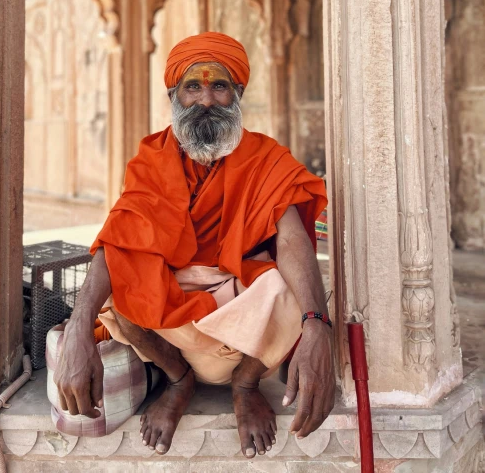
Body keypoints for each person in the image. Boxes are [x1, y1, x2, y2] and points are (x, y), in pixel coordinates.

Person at [54, 31, 335, 458]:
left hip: (241, 311)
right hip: (171, 321)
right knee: (123, 294)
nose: (206, 99)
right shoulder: (153, 158)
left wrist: (317, 326)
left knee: (293, 291)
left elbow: (294, 240)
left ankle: (245, 384)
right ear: (175, 95)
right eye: (193, 86)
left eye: (219, 85)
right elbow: (118, 240)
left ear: (237, 93)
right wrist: (78, 326)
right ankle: (178, 379)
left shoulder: (266, 157)